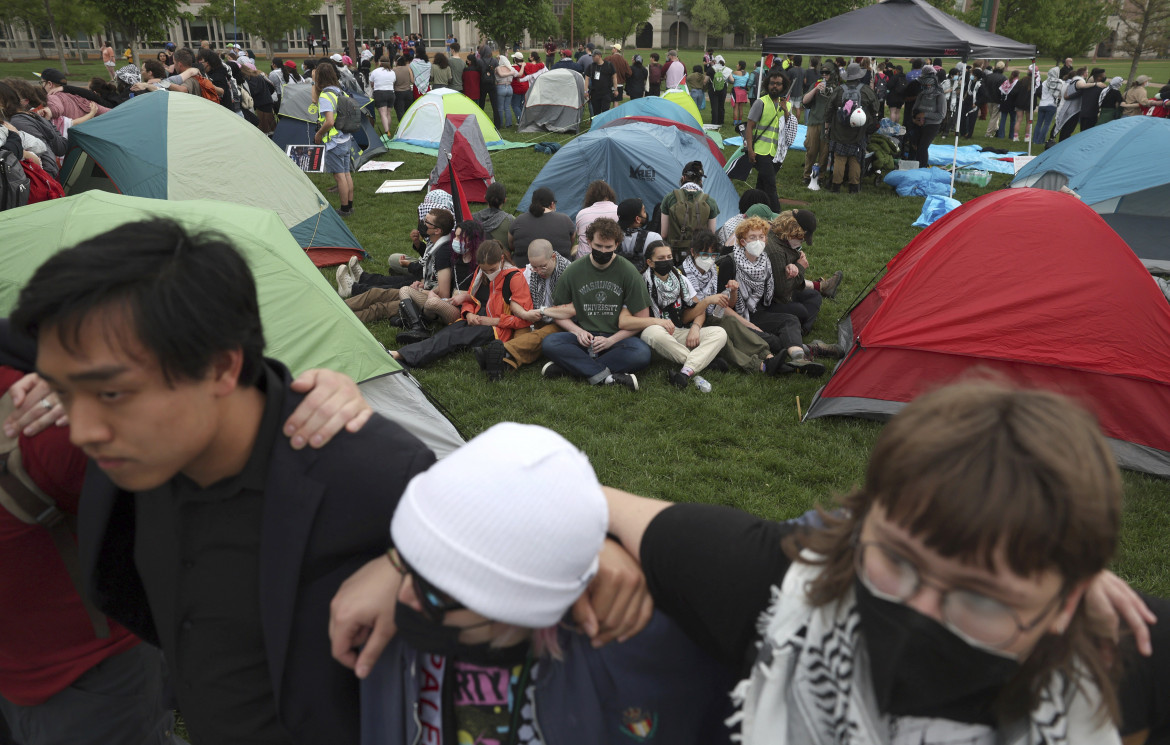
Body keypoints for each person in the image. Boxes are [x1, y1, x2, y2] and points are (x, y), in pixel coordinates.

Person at [10, 218, 435, 745]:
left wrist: (417, 567)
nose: (83, 431)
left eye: (113, 394)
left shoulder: (375, 480)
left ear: (220, 369)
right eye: (66, 393)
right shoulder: (133, 459)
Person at [602, 379, 1153, 745]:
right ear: (867, 519)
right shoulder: (770, 582)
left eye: (982, 596)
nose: (920, 612)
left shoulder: (1124, 645)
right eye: (896, 559)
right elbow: (566, 489)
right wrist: (593, 543)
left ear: (1067, 603)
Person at [350, 422, 733, 745]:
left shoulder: (645, 657)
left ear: (515, 604)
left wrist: (589, 530)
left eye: (439, 590)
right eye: (408, 563)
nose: (401, 596)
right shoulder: (386, 634)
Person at [539, 218, 652, 390]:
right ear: (589, 241)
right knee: (550, 343)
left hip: (616, 340)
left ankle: (570, 368)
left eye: (608, 247)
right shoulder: (574, 270)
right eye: (598, 246)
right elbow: (558, 312)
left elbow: (642, 319)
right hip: (583, 337)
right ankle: (607, 377)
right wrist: (578, 332)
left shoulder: (629, 272)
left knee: (642, 353)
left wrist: (611, 340)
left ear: (617, 245)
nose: (603, 251)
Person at [390, 239, 531, 371]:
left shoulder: (515, 278)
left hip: (498, 327)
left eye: (492, 269)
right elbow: (470, 298)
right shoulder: (481, 271)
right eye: (485, 270)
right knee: (446, 333)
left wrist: (492, 321)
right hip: (478, 316)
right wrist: (468, 314)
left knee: (452, 338)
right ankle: (403, 355)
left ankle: (403, 356)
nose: (488, 273)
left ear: (501, 260)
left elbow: (524, 319)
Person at [720, 217, 824, 375]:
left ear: (766, 239)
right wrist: (752, 327)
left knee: (792, 319)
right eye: (752, 237)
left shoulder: (764, 260)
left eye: (761, 237)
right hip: (738, 316)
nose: (758, 241)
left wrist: (792, 267)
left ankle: (799, 358)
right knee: (774, 340)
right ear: (742, 242)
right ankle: (808, 350)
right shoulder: (731, 263)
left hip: (759, 310)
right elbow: (723, 308)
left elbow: (776, 291)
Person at [629, 240, 729, 391]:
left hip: (679, 331)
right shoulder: (641, 282)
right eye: (661, 259)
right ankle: (704, 361)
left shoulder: (680, 279)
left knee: (719, 333)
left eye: (669, 257)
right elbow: (633, 319)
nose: (666, 261)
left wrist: (695, 327)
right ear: (650, 262)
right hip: (657, 336)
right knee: (651, 332)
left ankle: (685, 373)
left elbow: (697, 311)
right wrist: (658, 322)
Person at [475, 239, 575, 379]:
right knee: (522, 329)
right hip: (534, 317)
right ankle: (504, 363)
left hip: (561, 321)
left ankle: (502, 352)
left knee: (541, 335)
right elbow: (514, 301)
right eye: (535, 267)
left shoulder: (569, 272)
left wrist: (542, 311)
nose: (538, 271)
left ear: (553, 257)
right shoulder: (530, 271)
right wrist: (524, 313)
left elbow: (573, 309)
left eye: (543, 266)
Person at [312, 62, 356, 217]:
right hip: (345, 138)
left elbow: (329, 121)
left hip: (334, 141)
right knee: (346, 174)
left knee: (339, 176)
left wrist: (319, 134)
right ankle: (349, 206)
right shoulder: (339, 91)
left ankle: (344, 209)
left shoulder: (325, 96)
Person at [828, 62, 877, 194]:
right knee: (855, 159)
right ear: (859, 76)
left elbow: (829, 108)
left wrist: (828, 125)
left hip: (839, 130)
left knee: (839, 158)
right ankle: (854, 187)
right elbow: (875, 109)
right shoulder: (866, 91)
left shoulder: (839, 90)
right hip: (859, 132)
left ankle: (836, 187)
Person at [744, 69, 791, 210]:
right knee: (771, 186)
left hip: (776, 154)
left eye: (778, 84)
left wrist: (786, 111)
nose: (774, 86)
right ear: (767, 84)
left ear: (784, 86)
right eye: (772, 83)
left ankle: (751, 208)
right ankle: (778, 216)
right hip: (760, 152)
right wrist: (750, 150)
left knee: (762, 185)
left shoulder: (787, 105)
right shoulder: (761, 103)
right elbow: (749, 127)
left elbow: (789, 128)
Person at [660, 161, 720, 262]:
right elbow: (711, 234)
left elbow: (664, 234)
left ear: (683, 178)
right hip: (699, 256)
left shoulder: (670, 198)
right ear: (701, 181)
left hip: (674, 255)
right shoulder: (710, 201)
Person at [508, 186, 576, 265]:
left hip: (521, 271)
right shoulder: (566, 220)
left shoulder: (519, 220)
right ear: (552, 204)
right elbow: (571, 243)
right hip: (561, 271)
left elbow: (511, 245)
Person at [801, 60, 838, 190]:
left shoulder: (837, 86)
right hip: (814, 121)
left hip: (828, 124)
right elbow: (804, 101)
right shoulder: (816, 84)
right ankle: (807, 175)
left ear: (832, 73)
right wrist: (816, 89)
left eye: (827, 73)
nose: (824, 75)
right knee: (811, 150)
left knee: (824, 152)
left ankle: (820, 176)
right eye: (822, 72)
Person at [911, 67, 946, 168]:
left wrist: (925, 115)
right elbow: (914, 109)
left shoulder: (940, 96)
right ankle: (915, 165)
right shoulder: (921, 95)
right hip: (918, 124)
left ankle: (922, 168)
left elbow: (941, 115)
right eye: (924, 85)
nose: (926, 87)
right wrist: (915, 119)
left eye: (928, 85)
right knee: (915, 145)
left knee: (922, 147)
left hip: (932, 125)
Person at [575, 180, 619, 257]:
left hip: (584, 258)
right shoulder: (619, 211)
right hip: (612, 257)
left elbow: (579, 236)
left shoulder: (582, 213)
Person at [616, 197, 662, 271]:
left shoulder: (611, 236)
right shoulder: (654, 238)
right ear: (638, 219)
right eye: (644, 211)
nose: (646, 214)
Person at [368, 58, 396, 140]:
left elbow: (371, 83)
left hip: (380, 93)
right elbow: (393, 82)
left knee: (383, 113)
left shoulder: (375, 71)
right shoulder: (392, 72)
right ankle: (388, 131)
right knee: (388, 113)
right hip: (391, 93)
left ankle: (387, 132)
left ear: (380, 62)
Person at [1034, 67, 1062, 143]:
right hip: (1051, 105)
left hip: (1042, 104)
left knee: (1039, 123)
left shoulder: (1044, 82)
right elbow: (1060, 94)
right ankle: (1040, 140)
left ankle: (1035, 139)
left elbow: (1038, 91)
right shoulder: (1059, 82)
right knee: (1047, 124)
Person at [587, 49, 617, 116]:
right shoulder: (591, 66)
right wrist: (585, 91)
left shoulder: (609, 65)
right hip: (595, 94)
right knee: (596, 113)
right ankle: (596, 125)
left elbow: (614, 77)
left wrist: (615, 89)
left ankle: (604, 125)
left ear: (599, 56)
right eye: (592, 56)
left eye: (594, 56)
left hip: (606, 93)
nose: (593, 58)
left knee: (605, 112)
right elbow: (587, 78)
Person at [982, 61, 1007, 137]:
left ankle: (996, 130)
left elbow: (984, 87)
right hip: (997, 100)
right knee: (994, 117)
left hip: (988, 99)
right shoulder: (1003, 78)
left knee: (993, 116)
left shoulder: (988, 76)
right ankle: (988, 133)